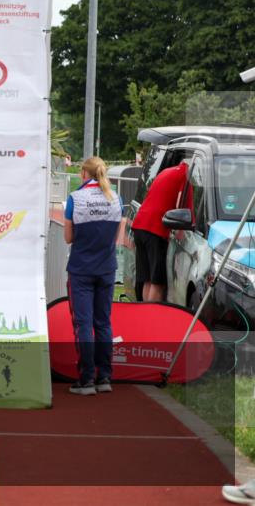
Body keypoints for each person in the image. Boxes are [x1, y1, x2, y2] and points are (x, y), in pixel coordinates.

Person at [63, 157, 123, 395]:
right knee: (104, 322)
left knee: (84, 324)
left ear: (83, 174)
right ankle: (105, 377)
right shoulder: (116, 198)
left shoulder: (75, 199)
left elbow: (68, 237)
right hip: (107, 267)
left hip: (81, 269)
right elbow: (115, 235)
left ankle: (87, 379)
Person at [131, 160, 189, 302]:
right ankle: (151, 319)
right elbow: (182, 207)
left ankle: (144, 316)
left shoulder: (165, 172)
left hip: (139, 225)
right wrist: (180, 235)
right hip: (155, 230)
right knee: (158, 283)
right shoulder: (185, 176)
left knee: (147, 280)